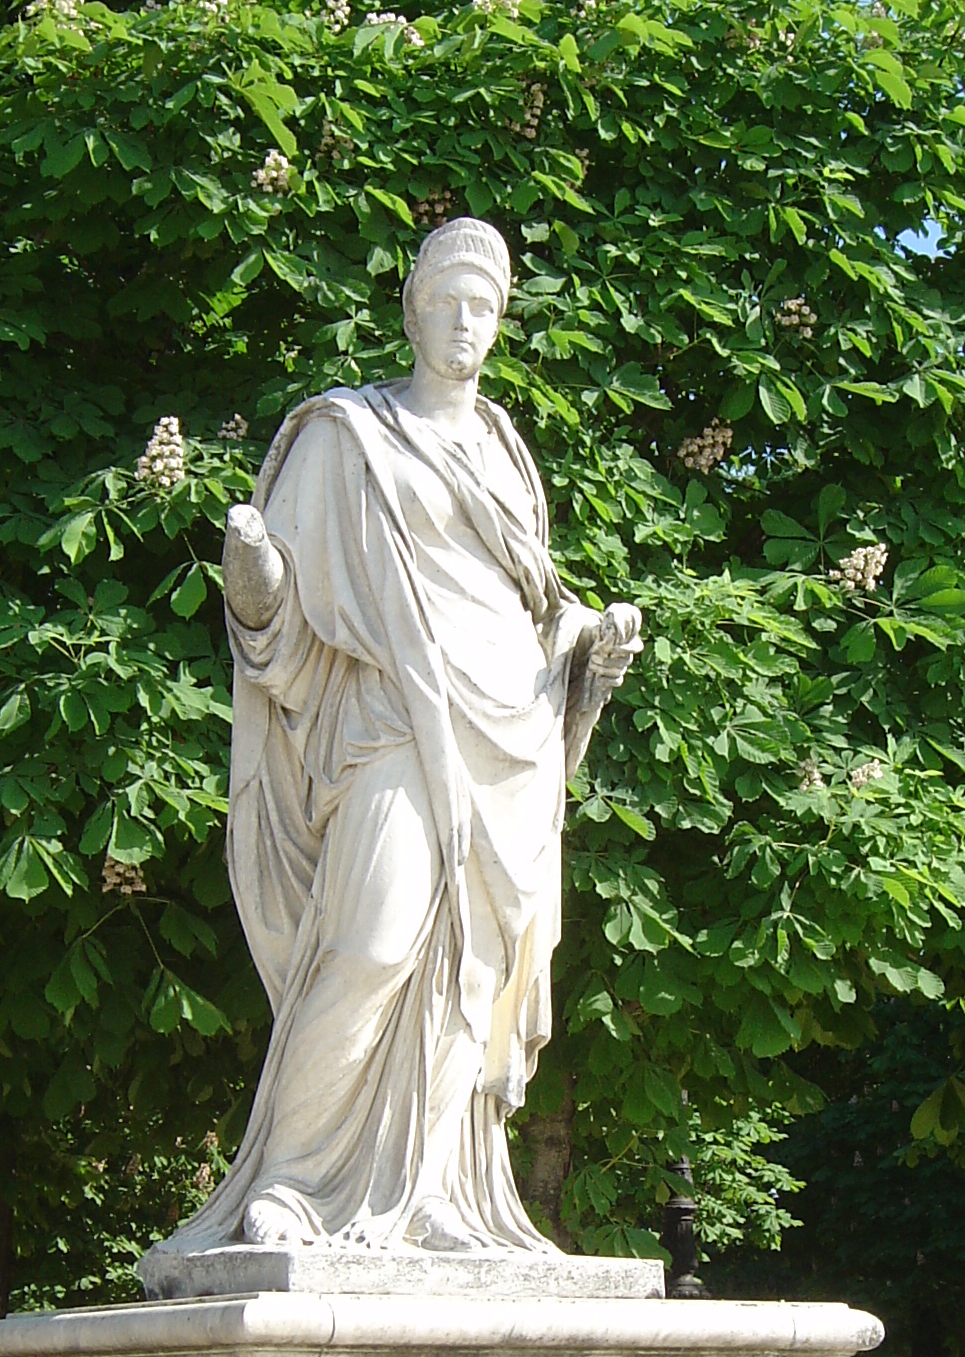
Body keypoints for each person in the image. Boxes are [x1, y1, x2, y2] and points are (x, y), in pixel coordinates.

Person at [152, 218, 642, 1262]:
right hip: (390, 722)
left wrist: (587, 652)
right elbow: (283, 639)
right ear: (412, 307)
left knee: (470, 985)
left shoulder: (506, 449)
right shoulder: (348, 437)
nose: (466, 323)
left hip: (506, 737)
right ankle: (292, 1180)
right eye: (448, 301)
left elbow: (534, 605)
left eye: (486, 307)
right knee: (374, 941)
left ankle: (438, 1198)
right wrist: (254, 579)